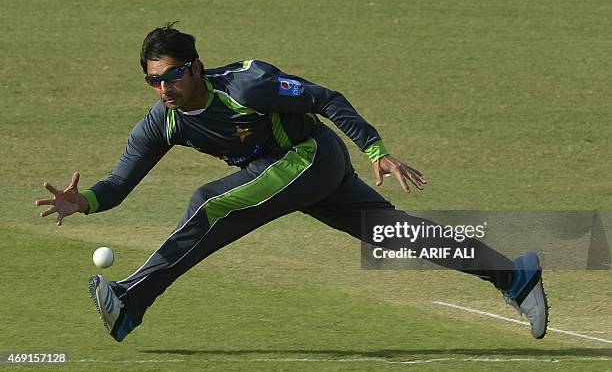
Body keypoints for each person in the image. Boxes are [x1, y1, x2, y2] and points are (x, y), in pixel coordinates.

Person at [35, 22, 548, 342]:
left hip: (309, 157)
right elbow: (120, 184)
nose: (163, 88)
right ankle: (513, 274)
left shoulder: (247, 85)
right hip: (283, 175)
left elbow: (325, 97)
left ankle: (130, 300)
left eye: (171, 75)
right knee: (390, 233)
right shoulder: (162, 123)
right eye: (153, 79)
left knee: (208, 203)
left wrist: (376, 149)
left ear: (195, 67)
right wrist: (84, 203)